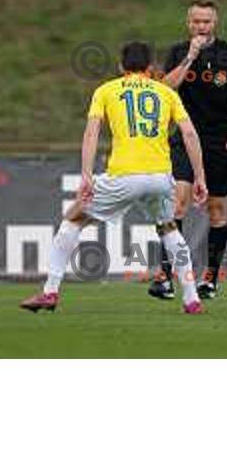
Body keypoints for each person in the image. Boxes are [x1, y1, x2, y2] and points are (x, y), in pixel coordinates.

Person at [20, 42, 208, 314]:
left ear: (121, 67)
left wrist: (86, 174)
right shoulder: (165, 92)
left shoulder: (105, 91)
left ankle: (49, 291)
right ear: (151, 69)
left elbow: (91, 133)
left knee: (73, 218)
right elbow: (189, 134)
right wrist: (199, 176)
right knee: (169, 228)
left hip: (125, 175)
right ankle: (191, 299)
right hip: (160, 176)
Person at [148, 0, 227, 301]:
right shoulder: (176, 52)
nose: (201, 26)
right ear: (189, 23)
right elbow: (166, 88)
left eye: (206, 21)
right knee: (178, 203)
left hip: (221, 140)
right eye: (196, 21)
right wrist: (190, 56)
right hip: (185, 136)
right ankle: (165, 275)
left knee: (216, 209)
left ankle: (210, 278)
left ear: (215, 22)